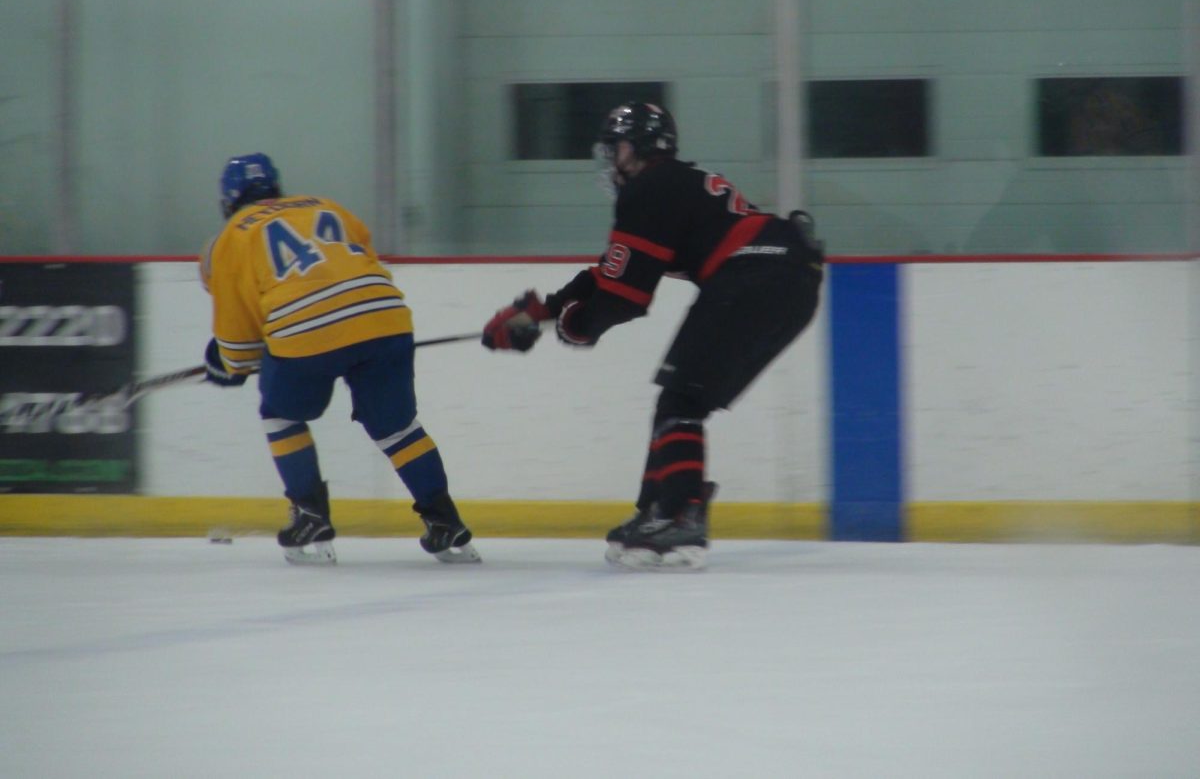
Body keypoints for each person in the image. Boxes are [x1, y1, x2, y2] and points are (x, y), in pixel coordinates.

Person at [481, 102, 823, 570]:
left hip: (754, 277)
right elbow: (613, 273)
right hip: (791, 281)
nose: (611, 161)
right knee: (680, 400)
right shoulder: (674, 183)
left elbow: (625, 296)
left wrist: (573, 327)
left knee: (681, 400)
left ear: (638, 148)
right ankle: (658, 510)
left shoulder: (649, 188)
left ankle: (681, 514)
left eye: (615, 148)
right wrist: (542, 312)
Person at [200, 153, 479, 566]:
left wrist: (226, 364)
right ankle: (445, 522)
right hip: (385, 316)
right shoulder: (325, 205)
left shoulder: (233, 236)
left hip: (306, 328)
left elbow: (239, 348)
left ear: (228, 201)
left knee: (279, 413)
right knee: (396, 427)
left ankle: (310, 515)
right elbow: (360, 261)